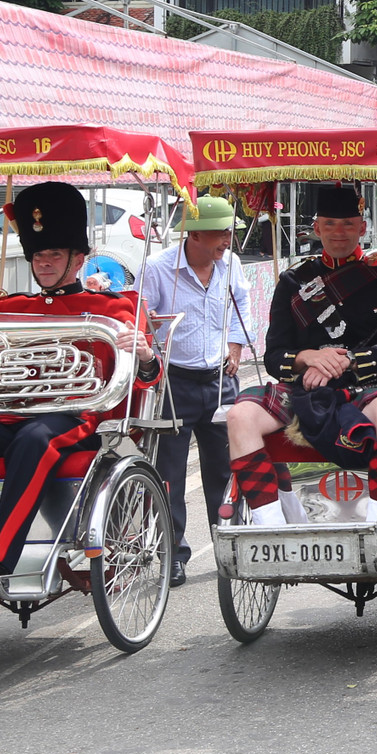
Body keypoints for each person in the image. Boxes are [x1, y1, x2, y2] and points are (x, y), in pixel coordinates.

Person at [0, 182, 159, 570]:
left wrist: (142, 353)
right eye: (38, 254)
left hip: (72, 415)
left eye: (54, 254)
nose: (44, 263)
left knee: (34, 440)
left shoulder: (115, 308)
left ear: (78, 260)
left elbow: (143, 377)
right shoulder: (7, 308)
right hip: (6, 414)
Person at [225, 186, 377, 555]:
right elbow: (274, 355)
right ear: (317, 227)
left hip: (374, 384)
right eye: (330, 224)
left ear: (362, 227)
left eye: (347, 224)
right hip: (306, 389)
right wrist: (307, 357)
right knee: (239, 416)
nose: (339, 232)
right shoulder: (296, 281)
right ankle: (271, 536)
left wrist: (345, 361)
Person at [140, 195, 252, 587]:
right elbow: (139, 319)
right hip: (174, 381)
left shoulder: (231, 264)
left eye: (229, 232)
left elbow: (241, 305)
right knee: (168, 473)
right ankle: (172, 552)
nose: (227, 240)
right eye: (220, 233)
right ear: (195, 234)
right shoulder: (157, 269)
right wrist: (149, 343)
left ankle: (229, 544)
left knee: (225, 468)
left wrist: (236, 346)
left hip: (220, 380)